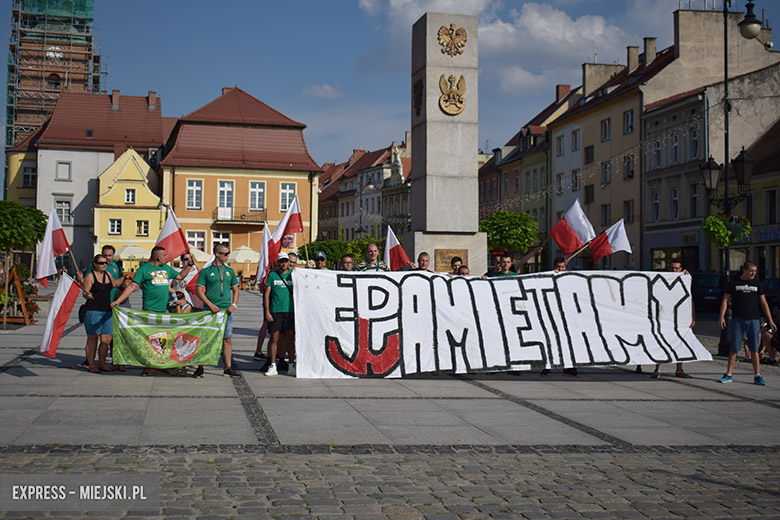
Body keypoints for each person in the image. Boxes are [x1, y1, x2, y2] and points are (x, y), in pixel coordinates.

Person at [111, 246, 193, 376]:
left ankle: (160, 365)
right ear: (157, 257)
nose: (167, 257)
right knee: (148, 339)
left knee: (164, 339)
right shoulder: (144, 269)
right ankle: (147, 366)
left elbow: (180, 276)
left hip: (164, 310)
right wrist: (118, 300)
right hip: (149, 310)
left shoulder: (166, 268)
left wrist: (189, 265)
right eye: (164, 255)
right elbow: (132, 285)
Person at [718, 261, 776, 385]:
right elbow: (725, 300)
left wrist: (770, 320)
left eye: (755, 271)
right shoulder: (733, 283)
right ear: (744, 270)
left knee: (754, 348)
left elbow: (764, 303)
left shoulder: (756, 284)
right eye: (751, 271)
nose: (753, 274)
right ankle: (728, 374)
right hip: (737, 319)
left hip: (753, 319)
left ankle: (757, 375)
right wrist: (722, 317)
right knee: (734, 348)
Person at [195, 244, 240, 378]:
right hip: (210, 311)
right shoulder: (206, 271)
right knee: (206, 338)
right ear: (217, 254)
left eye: (228, 253)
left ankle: (228, 367)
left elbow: (236, 289)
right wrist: (209, 304)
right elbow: (199, 290)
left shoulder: (230, 271)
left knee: (227, 339)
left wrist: (234, 304)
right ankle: (200, 367)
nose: (227, 256)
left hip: (226, 311)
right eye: (225, 254)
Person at [81, 254, 126, 373]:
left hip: (107, 310)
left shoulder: (108, 274)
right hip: (93, 310)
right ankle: (91, 364)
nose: (104, 265)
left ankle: (102, 363)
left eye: (106, 262)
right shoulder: (90, 277)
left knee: (106, 339)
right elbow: (84, 292)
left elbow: (114, 284)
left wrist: (125, 277)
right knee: (93, 338)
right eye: (101, 263)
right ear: (95, 264)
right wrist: (87, 295)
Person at [650, 260, 694, 379]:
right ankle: (657, 369)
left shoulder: (684, 279)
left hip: (680, 318)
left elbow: (690, 299)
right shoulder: (662, 280)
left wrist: (692, 317)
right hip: (664, 317)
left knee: (680, 344)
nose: (674, 271)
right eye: (672, 268)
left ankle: (679, 369)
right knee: (660, 342)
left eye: (677, 268)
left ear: (681, 269)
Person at [541, 257, 578, 376]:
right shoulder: (548, 278)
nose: (560, 269)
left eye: (562, 267)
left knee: (569, 341)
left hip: (568, 315)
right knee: (551, 340)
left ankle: (569, 366)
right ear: (553, 267)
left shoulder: (570, 279)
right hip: (552, 314)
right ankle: (548, 365)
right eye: (558, 267)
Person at [263, 252, 295, 376]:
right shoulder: (272, 275)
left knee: (290, 339)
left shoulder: (293, 275)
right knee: (274, 338)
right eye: (282, 261)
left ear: (289, 262)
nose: (284, 263)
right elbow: (266, 295)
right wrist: (267, 311)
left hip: (289, 311)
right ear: (278, 262)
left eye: (286, 261)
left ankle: (291, 364)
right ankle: (273, 365)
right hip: (276, 311)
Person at [168, 291, 192, 376]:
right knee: (176, 349)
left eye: (177, 302)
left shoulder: (188, 307)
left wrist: (178, 306)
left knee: (183, 351)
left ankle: (183, 368)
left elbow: (180, 317)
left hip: (185, 331)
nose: (176, 304)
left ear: (183, 299)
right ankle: (176, 367)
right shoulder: (177, 305)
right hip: (178, 330)